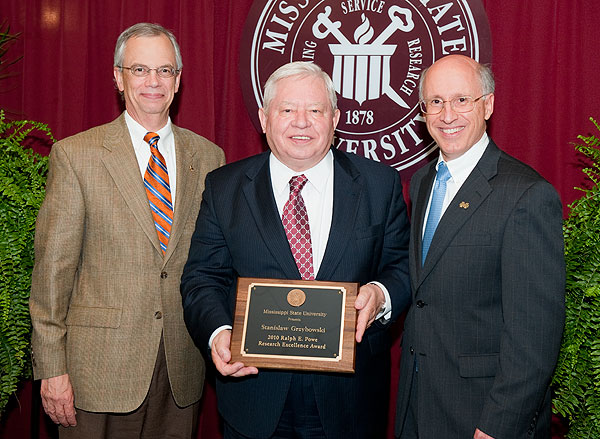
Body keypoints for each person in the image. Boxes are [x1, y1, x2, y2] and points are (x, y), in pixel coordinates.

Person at [181, 61, 410, 439]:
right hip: (254, 395)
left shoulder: (378, 184)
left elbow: (401, 266)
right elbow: (202, 277)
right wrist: (219, 332)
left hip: (350, 401)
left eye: (315, 110)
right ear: (264, 118)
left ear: (334, 118)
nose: (301, 122)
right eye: (287, 109)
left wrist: (381, 296)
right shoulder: (224, 187)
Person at [29, 22, 225, 438]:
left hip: (180, 371)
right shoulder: (76, 155)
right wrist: (51, 369)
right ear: (118, 78)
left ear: (178, 79)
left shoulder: (209, 157)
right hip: (96, 374)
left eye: (165, 70)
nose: (153, 81)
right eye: (139, 70)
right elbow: (51, 275)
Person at [395, 54, 565, 439]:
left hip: (481, 414)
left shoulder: (526, 195)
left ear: (487, 105)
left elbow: (535, 335)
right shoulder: (422, 183)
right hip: (417, 403)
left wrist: (497, 426)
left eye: (461, 100)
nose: (447, 114)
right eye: (435, 102)